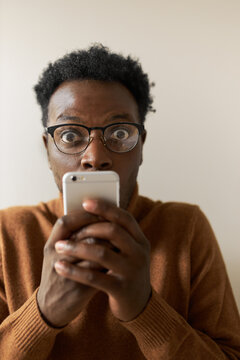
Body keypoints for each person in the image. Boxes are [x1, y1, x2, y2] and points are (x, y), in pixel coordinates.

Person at [0, 44, 239, 360]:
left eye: (120, 133)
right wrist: (43, 311)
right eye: (71, 136)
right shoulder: (7, 232)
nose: (95, 157)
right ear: (47, 148)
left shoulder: (186, 227)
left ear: (141, 145)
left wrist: (144, 310)